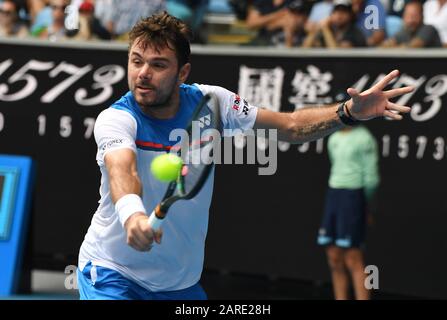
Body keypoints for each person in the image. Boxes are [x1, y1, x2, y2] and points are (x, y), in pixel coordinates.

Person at [76, 11, 413, 300]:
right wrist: (133, 216)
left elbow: (291, 126)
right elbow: (123, 170)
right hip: (112, 272)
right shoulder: (117, 118)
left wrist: (348, 112)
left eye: (158, 64)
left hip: (178, 284)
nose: (142, 73)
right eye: (136, 61)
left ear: (183, 73)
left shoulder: (213, 104)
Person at [317, 125, 379, 300]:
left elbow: (371, 178)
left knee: (353, 258)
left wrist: (366, 206)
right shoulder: (333, 138)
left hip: (354, 197)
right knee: (333, 256)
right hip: (334, 195)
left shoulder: (364, 137)